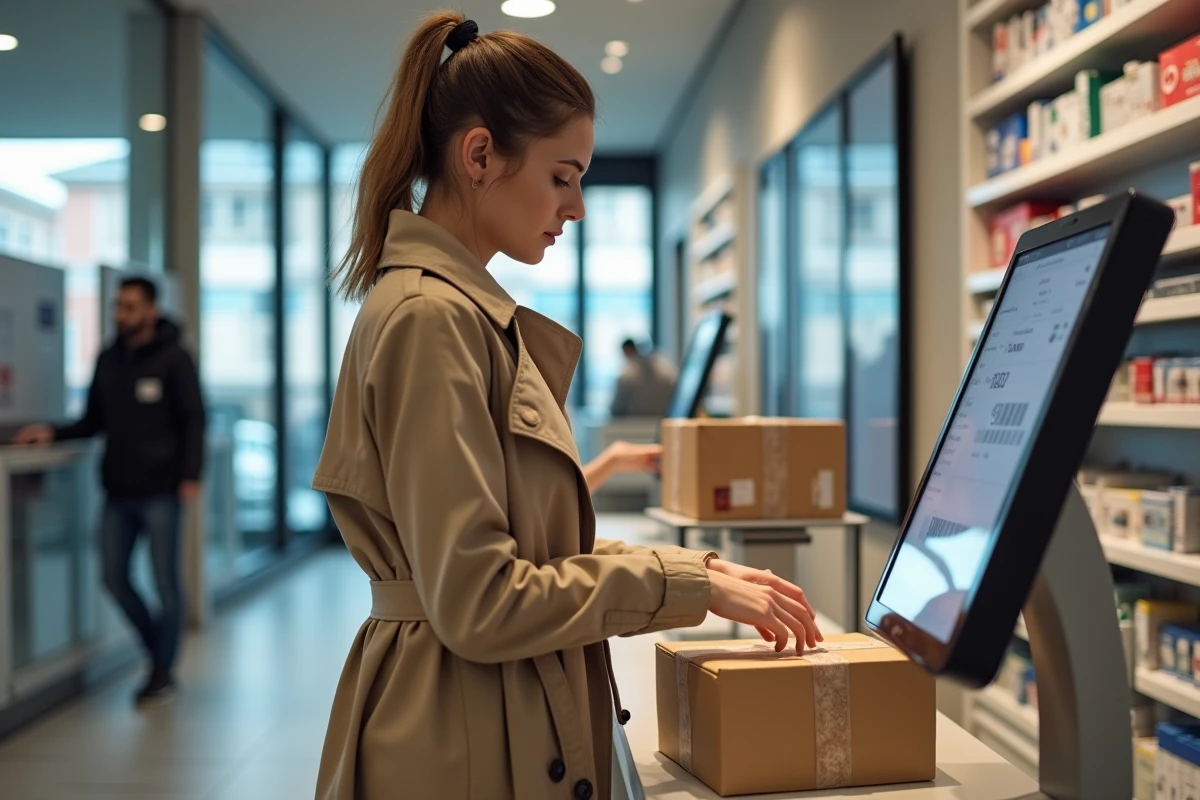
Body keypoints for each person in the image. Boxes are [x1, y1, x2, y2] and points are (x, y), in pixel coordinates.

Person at [313, 13, 821, 800]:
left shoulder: (454, 313)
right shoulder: (430, 320)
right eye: (562, 176)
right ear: (480, 155)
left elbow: (524, 551)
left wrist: (696, 570)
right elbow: (482, 601)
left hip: (477, 712)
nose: (576, 206)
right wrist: (685, 585)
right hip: (461, 731)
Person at [14, 276, 205, 706]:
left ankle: (161, 670)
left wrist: (191, 475)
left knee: (166, 583)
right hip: (118, 491)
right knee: (114, 578)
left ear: (151, 311)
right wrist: (52, 433)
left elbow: (194, 419)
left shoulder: (175, 358)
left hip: (162, 491)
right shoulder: (108, 358)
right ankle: (159, 651)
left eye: (130, 307)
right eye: (118, 306)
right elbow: (92, 421)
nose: (120, 314)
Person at [610, 337, 677, 417]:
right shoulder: (667, 372)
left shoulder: (627, 377)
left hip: (632, 421)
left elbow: (616, 409)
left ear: (628, 350)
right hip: (662, 419)